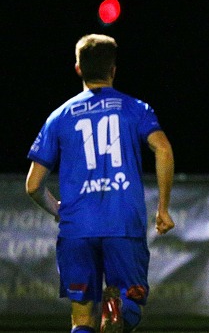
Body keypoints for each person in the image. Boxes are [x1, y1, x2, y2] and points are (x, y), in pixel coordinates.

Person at [25, 34, 175, 333]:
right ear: (113, 69)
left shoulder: (59, 117)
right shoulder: (136, 108)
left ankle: (103, 317)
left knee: (81, 317)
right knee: (130, 303)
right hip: (123, 224)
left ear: (78, 68)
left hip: (77, 229)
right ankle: (118, 312)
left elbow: (32, 185)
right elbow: (163, 149)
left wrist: (57, 210)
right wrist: (163, 208)